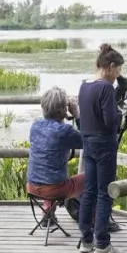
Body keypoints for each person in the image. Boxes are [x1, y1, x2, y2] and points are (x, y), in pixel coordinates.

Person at [76, 43, 127, 253]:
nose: (118, 76)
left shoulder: (85, 85)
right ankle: (104, 247)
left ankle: (86, 241)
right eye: (119, 70)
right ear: (111, 66)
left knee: (88, 191)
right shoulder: (106, 87)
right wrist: (120, 113)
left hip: (87, 141)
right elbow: (110, 122)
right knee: (105, 193)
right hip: (104, 143)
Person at [26, 87, 84, 231]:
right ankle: (91, 218)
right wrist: (76, 114)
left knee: (48, 175)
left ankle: (47, 214)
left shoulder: (35, 126)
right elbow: (87, 140)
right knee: (92, 177)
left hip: (31, 186)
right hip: (54, 189)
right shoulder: (64, 131)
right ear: (62, 110)